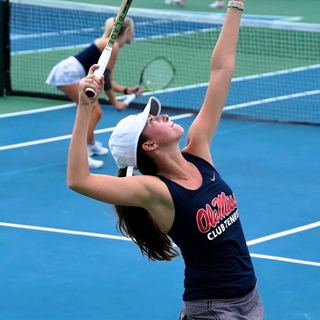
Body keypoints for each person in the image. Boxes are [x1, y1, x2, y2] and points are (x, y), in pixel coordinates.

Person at [67, 0, 265, 318]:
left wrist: (235, 5)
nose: (164, 116)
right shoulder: (155, 191)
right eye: (153, 120)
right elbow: (79, 180)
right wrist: (84, 108)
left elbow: (221, 70)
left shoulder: (198, 153)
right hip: (213, 308)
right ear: (147, 147)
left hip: (249, 296)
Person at [46, 17, 143, 169]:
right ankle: (81, 154)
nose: (134, 35)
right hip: (68, 74)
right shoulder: (112, 46)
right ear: (128, 31)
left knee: (92, 109)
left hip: (70, 72)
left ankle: (91, 144)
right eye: (133, 31)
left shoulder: (110, 44)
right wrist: (115, 102)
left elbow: (106, 79)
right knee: (95, 111)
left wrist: (126, 90)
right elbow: (107, 84)